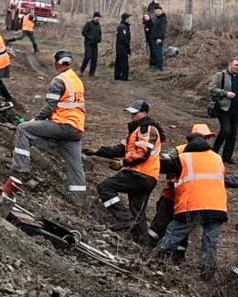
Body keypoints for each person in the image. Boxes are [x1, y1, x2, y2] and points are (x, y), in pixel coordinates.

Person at [10, 50, 87, 205]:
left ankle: (20, 169)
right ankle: (79, 200)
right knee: (75, 165)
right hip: (76, 129)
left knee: (23, 129)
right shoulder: (76, 79)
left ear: (56, 63)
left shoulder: (59, 80)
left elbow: (50, 106)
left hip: (62, 124)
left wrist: (35, 120)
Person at [153, 127, 228, 280]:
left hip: (192, 206)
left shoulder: (183, 158)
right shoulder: (217, 158)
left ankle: (156, 262)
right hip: (217, 207)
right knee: (210, 242)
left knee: (174, 233)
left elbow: (162, 166)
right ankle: (207, 276)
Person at [84, 99, 164, 242]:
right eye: (130, 113)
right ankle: (144, 244)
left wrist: (123, 162)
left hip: (139, 173)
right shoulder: (136, 130)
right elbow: (120, 149)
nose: (131, 116)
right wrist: (98, 151)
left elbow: (142, 154)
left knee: (105, 187)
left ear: (144, 113)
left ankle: (124, 218)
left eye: (135, 113)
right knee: (138, 213)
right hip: (147, 176)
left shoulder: (146, 129)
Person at [148, 123, 215, 247]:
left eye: (207, 137)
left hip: (190, 199)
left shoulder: (210, 155)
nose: (206, 140)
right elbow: (163, 163)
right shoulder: (179, 150)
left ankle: (176, 256)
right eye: (204, 137)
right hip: (171, 195)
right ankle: (150, 249)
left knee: (181, 230)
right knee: (160, 224)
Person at [208, 58, 238, 164]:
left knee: (233, 134)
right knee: (225, 130)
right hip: (223, 108)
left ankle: (227, 157)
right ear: (230, 64)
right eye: (236, 65)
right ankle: (214, 152)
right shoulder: (221, 75)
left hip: (236, 109)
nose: (237, 67)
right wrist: (225, 93)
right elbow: (211, 88)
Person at [80, 11, 102, 76]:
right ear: (94, 17)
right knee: (87, 57)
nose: (97, 19)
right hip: (88, 43)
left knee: (94, 58)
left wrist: (99, 39)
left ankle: (92, 73)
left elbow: (100, 33)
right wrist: (89, 37)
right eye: (96, 17)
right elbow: (83, 32)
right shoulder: (88, 24)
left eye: (98, 18)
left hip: (95, 44)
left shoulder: (98, 25)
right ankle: (82, 70)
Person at [114, 13, 132, 81]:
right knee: (124, 62)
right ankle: (124, 76)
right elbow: (124, 38)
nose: (129, 20)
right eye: (128, 18)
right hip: (122, 47)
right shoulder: (123, 27)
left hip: (119, 47)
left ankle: (117, 75)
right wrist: (128, 47)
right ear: (126, 19)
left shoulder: (122, 26)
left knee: (118, 61)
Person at [151, 7, 168, 71]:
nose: (157, 12)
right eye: (156, 11)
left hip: (158, 39)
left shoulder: (163, 19)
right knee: (155, 53)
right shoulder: (156, 19)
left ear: (162, 11)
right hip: (154, 38)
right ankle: (156, 66)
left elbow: (163, 30)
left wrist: (160, 38)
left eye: (158, 11)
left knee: (158, 53)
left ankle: (159, 67)